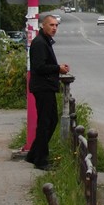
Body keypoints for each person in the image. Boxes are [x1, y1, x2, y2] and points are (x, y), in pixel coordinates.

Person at [24, 14, 70, 171]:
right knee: (45, 123)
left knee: (51, 121)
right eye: (51, 25)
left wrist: (58, 68)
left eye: (56, 25)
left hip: (47, 87)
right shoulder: (39, 43)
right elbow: (39, 67)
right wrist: (58, 68)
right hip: (43, 88)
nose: (54, 28)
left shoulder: (45, 42)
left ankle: (34, 154)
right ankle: (41, 160)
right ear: (43, 26)